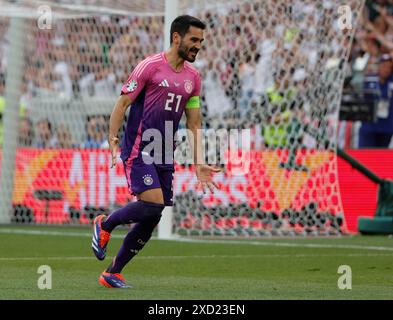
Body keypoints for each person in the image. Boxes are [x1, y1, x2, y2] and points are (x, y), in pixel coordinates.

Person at [91, 15, 220, 288]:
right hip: (139, 148)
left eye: (201, 41)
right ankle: (106, 224)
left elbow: (194, 123)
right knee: (152, 204)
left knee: (153, 216)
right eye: (193, 40)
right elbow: (122, 103)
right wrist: (113, 139)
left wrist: (199, 163)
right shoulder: (149, 67)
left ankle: (112, 272)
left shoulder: (193, 78)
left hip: (164, 152)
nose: (198, 46)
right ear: (177, 37)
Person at [359, 53, 393, 148]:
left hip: (387, 126)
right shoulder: (369, 79)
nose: (386, 69)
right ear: (379, 66)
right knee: (365, 155)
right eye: (384, 66)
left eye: (389, 67)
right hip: (369, 125)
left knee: (380, 157)